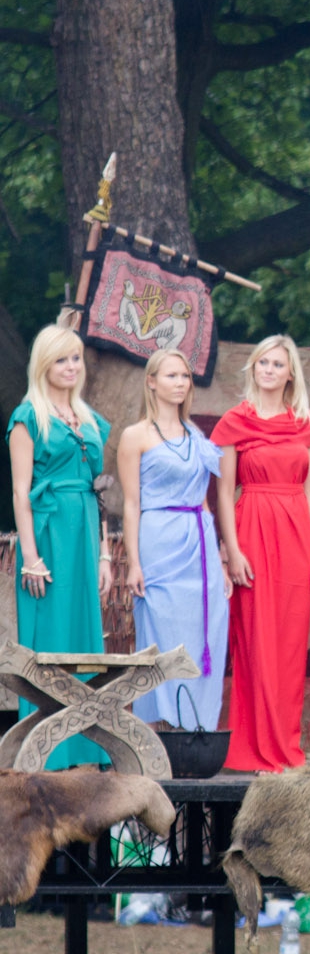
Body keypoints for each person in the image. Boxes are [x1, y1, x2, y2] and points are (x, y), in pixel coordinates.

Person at [212, 335, 310, 772]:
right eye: (263, 362)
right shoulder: (234, 422)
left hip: (296, 533)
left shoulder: (304, 422)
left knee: (292, 641)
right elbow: (223, 493)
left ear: (290, 372)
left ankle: (285, 747)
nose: (269, 370)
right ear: (252, 368)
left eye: (278, 364)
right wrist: (232, 551)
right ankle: (252, 748)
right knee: (256, 641)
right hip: (252, 529)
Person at [6, 325, 112, 768]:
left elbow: (100, 491)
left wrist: (106, 553)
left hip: (86, 533)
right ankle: (47, 756)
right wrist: (31, 559)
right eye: (62, 359)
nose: (71, 367)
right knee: (49, 644)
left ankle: (86, 753)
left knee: (85, 641)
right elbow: (20, 492)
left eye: (76, 359)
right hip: (49, 538)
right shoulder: (28, 417)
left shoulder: (89, 419)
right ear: (44, 364)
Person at [118, 348, 230, 729]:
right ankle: (162, 729)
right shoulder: (136, 435)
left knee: (205, 632)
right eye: (171, 376)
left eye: (185, 376)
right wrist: (133, 562)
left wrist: (219, 556)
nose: (181, 383)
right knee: (163, 631)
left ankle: (197, 731)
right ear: (151, 381)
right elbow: (131, 504)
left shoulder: (196, 435)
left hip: (198, 540)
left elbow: (204, 501)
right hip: (159, 538)